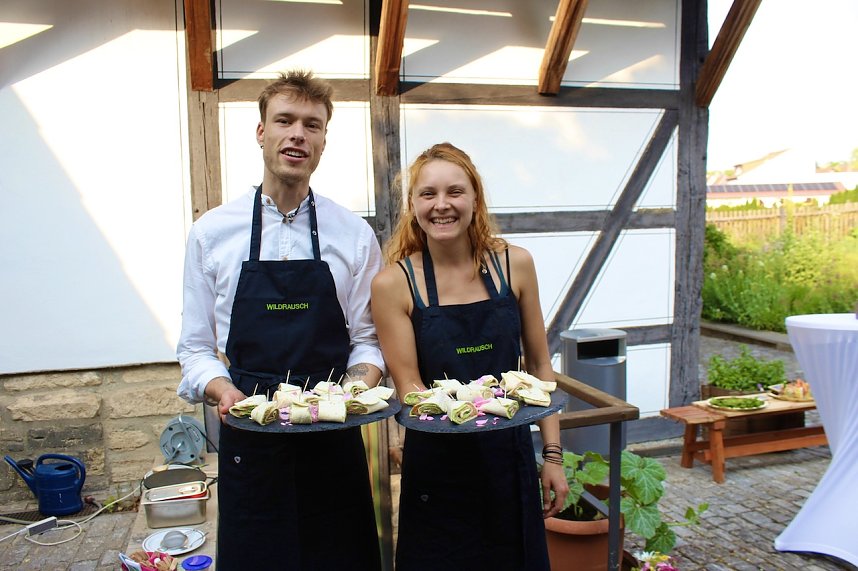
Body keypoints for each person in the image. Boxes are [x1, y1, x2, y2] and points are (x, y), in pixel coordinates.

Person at [176, 70, 384, 570]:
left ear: (323, 141)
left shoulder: (353, 235)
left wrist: (355, 389)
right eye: (285, 121)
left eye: (312, 125)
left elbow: (368, 341)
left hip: (334, 428)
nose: (298, 134)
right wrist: (225, 393)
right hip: (252, 432)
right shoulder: (211, 234)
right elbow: (195, 349)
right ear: (261, 132)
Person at [371, 142, 569, 570]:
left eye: (454, 192)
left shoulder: (515, 264)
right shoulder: (394, 284)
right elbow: (410, 389)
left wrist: (552, 455)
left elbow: (538, 368)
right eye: (428, 194)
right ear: (413, 205)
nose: (441, 205)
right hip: (438, 471)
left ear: (475, 198)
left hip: (508, 461)